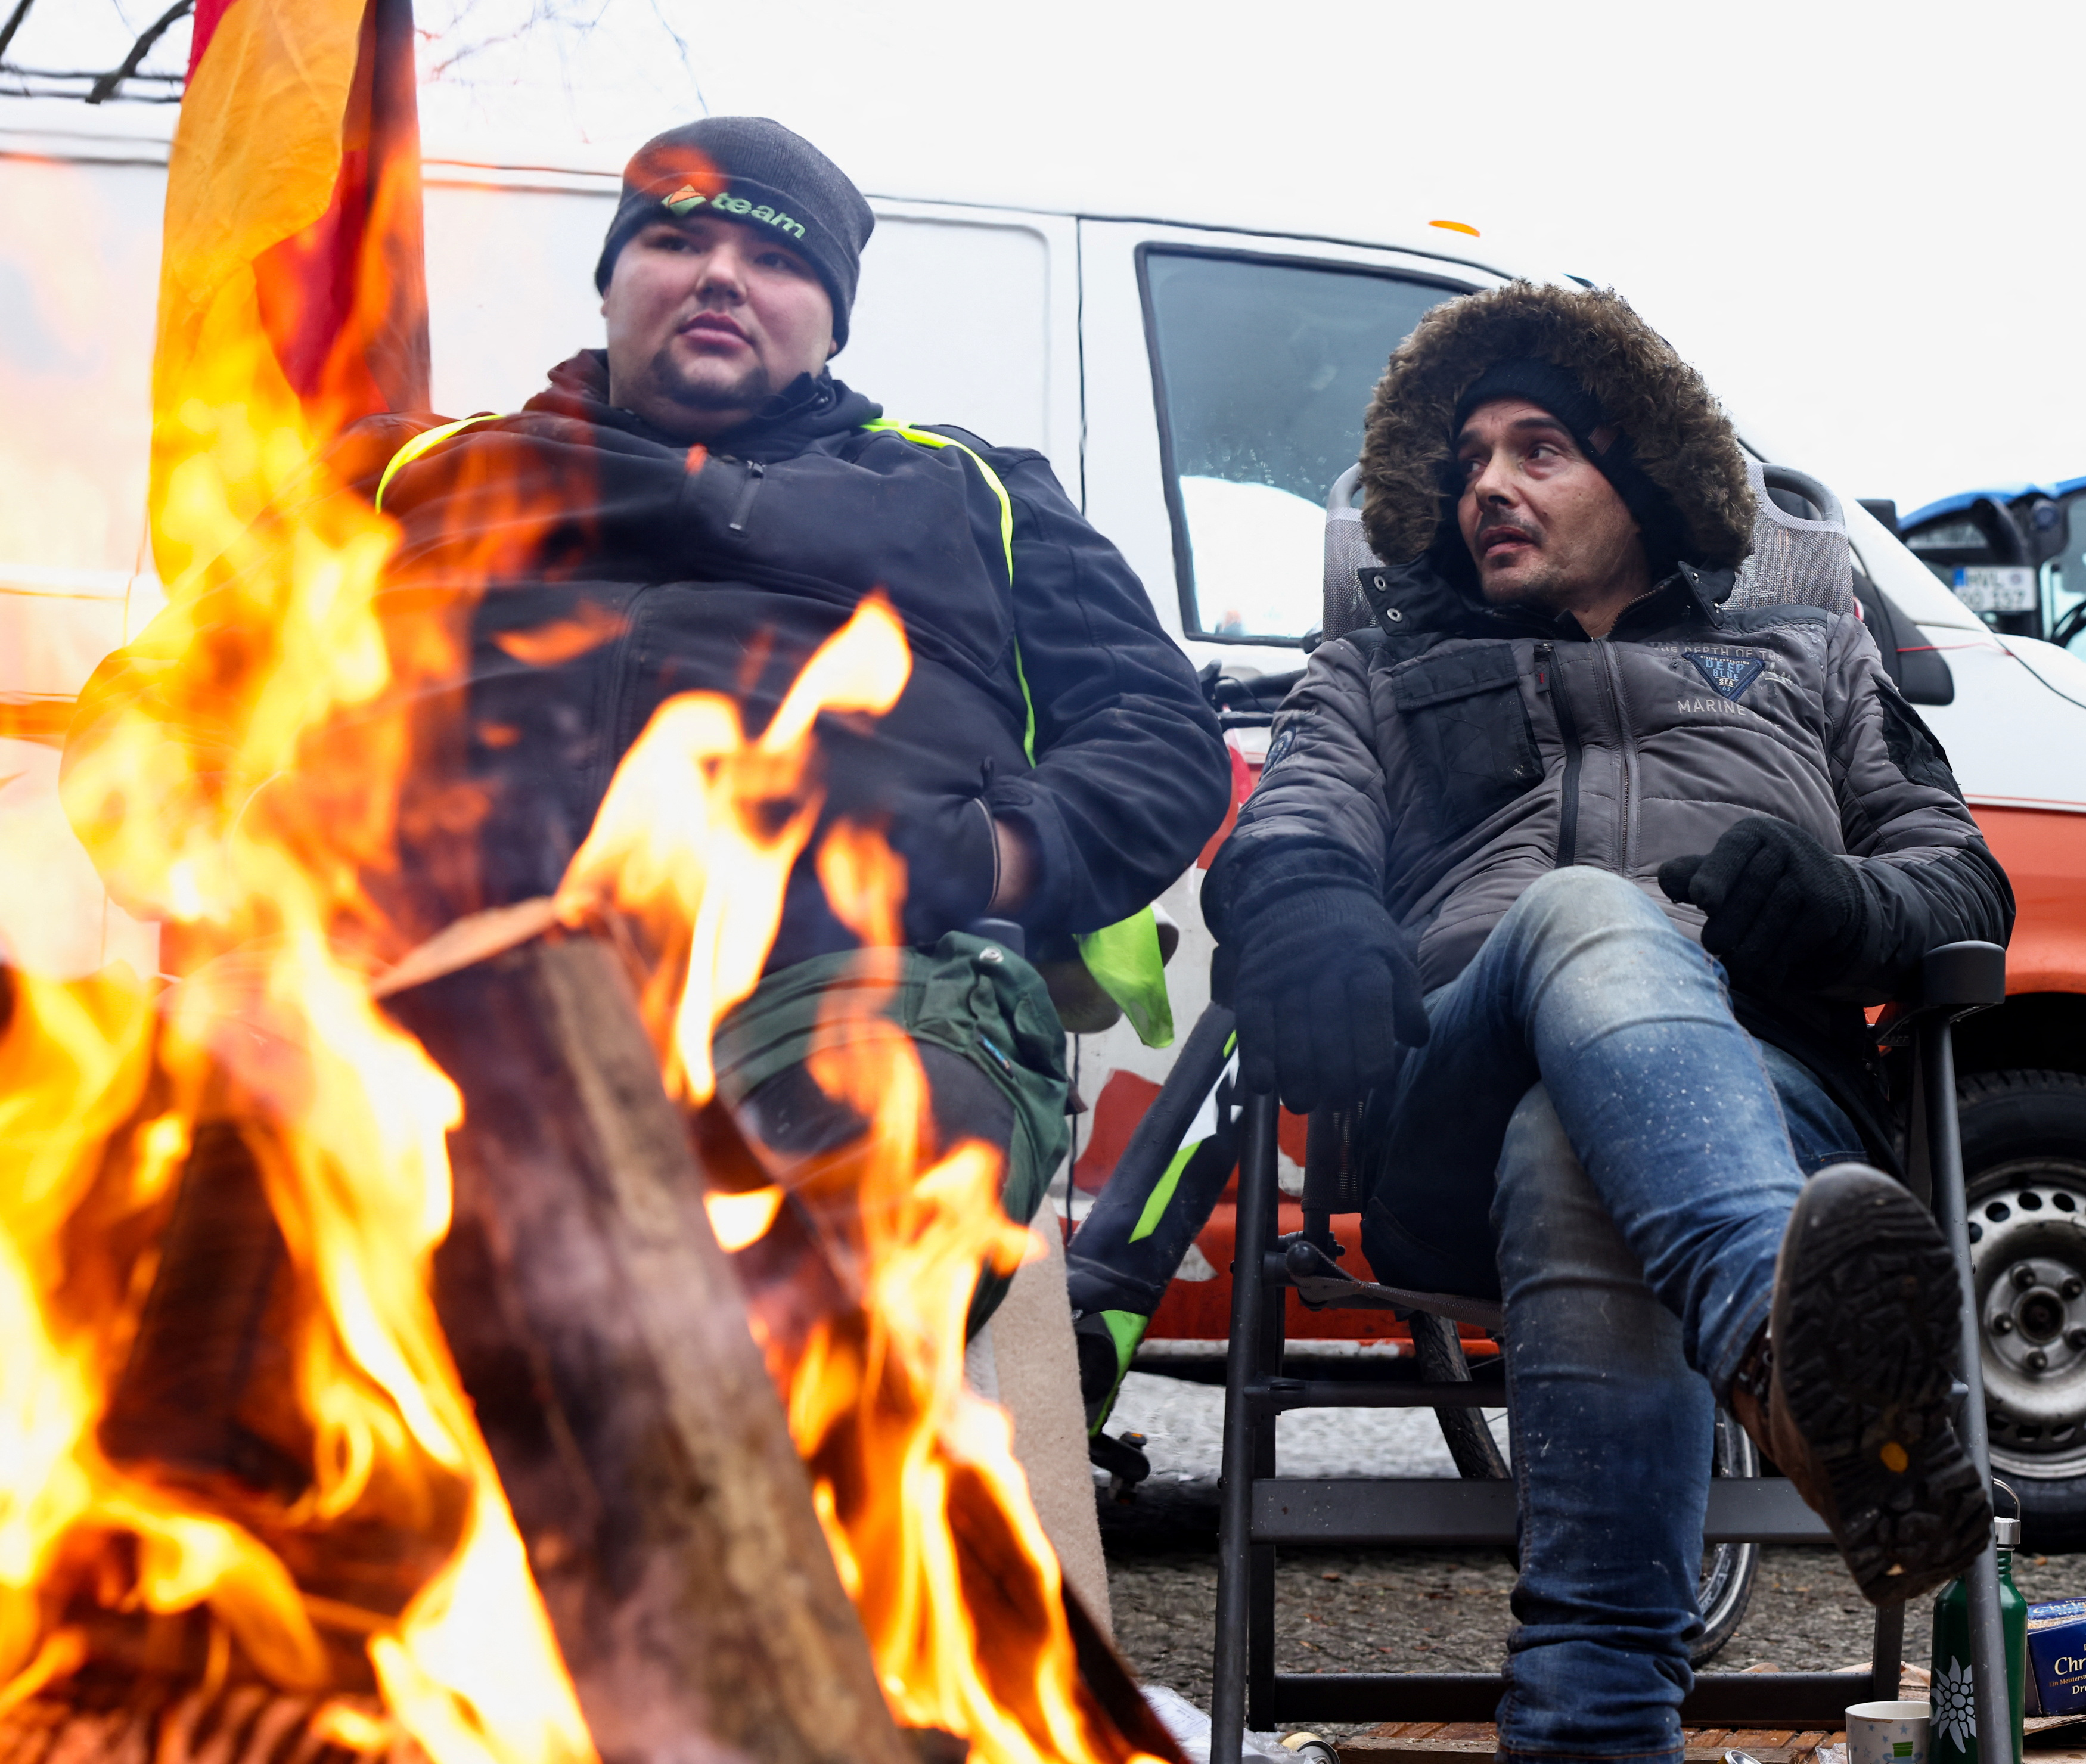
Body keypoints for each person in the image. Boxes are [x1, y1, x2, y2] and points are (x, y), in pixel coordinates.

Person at [69, 116, 1230, 1327]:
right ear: (614, 278)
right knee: (197, 1166)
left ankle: (746, 1498)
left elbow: (1154, 729)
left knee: (891, 1156)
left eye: (779, 261)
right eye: (678, 238)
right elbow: (159, 699)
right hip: (383, 965)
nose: (724, 274)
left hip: (830, 977)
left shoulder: (973, 489)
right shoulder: (404, 468)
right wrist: (224, 862)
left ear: (833, 323)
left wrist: (993, 854)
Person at [1202, 281, 2013, 1764]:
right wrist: (1304, 912)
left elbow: (1961, 883)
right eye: (1463, 466)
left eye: (1536, 450)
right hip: (1445, 1089)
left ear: (1637, 477)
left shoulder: (1808, 659)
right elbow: (1288, 838)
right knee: (1588, 913)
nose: (1486, 488)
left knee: (1568, 1139)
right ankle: (1782, 1357)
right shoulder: (1376, 669)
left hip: (1762, 1097)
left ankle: (1590, 1720)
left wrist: (1839, 906)